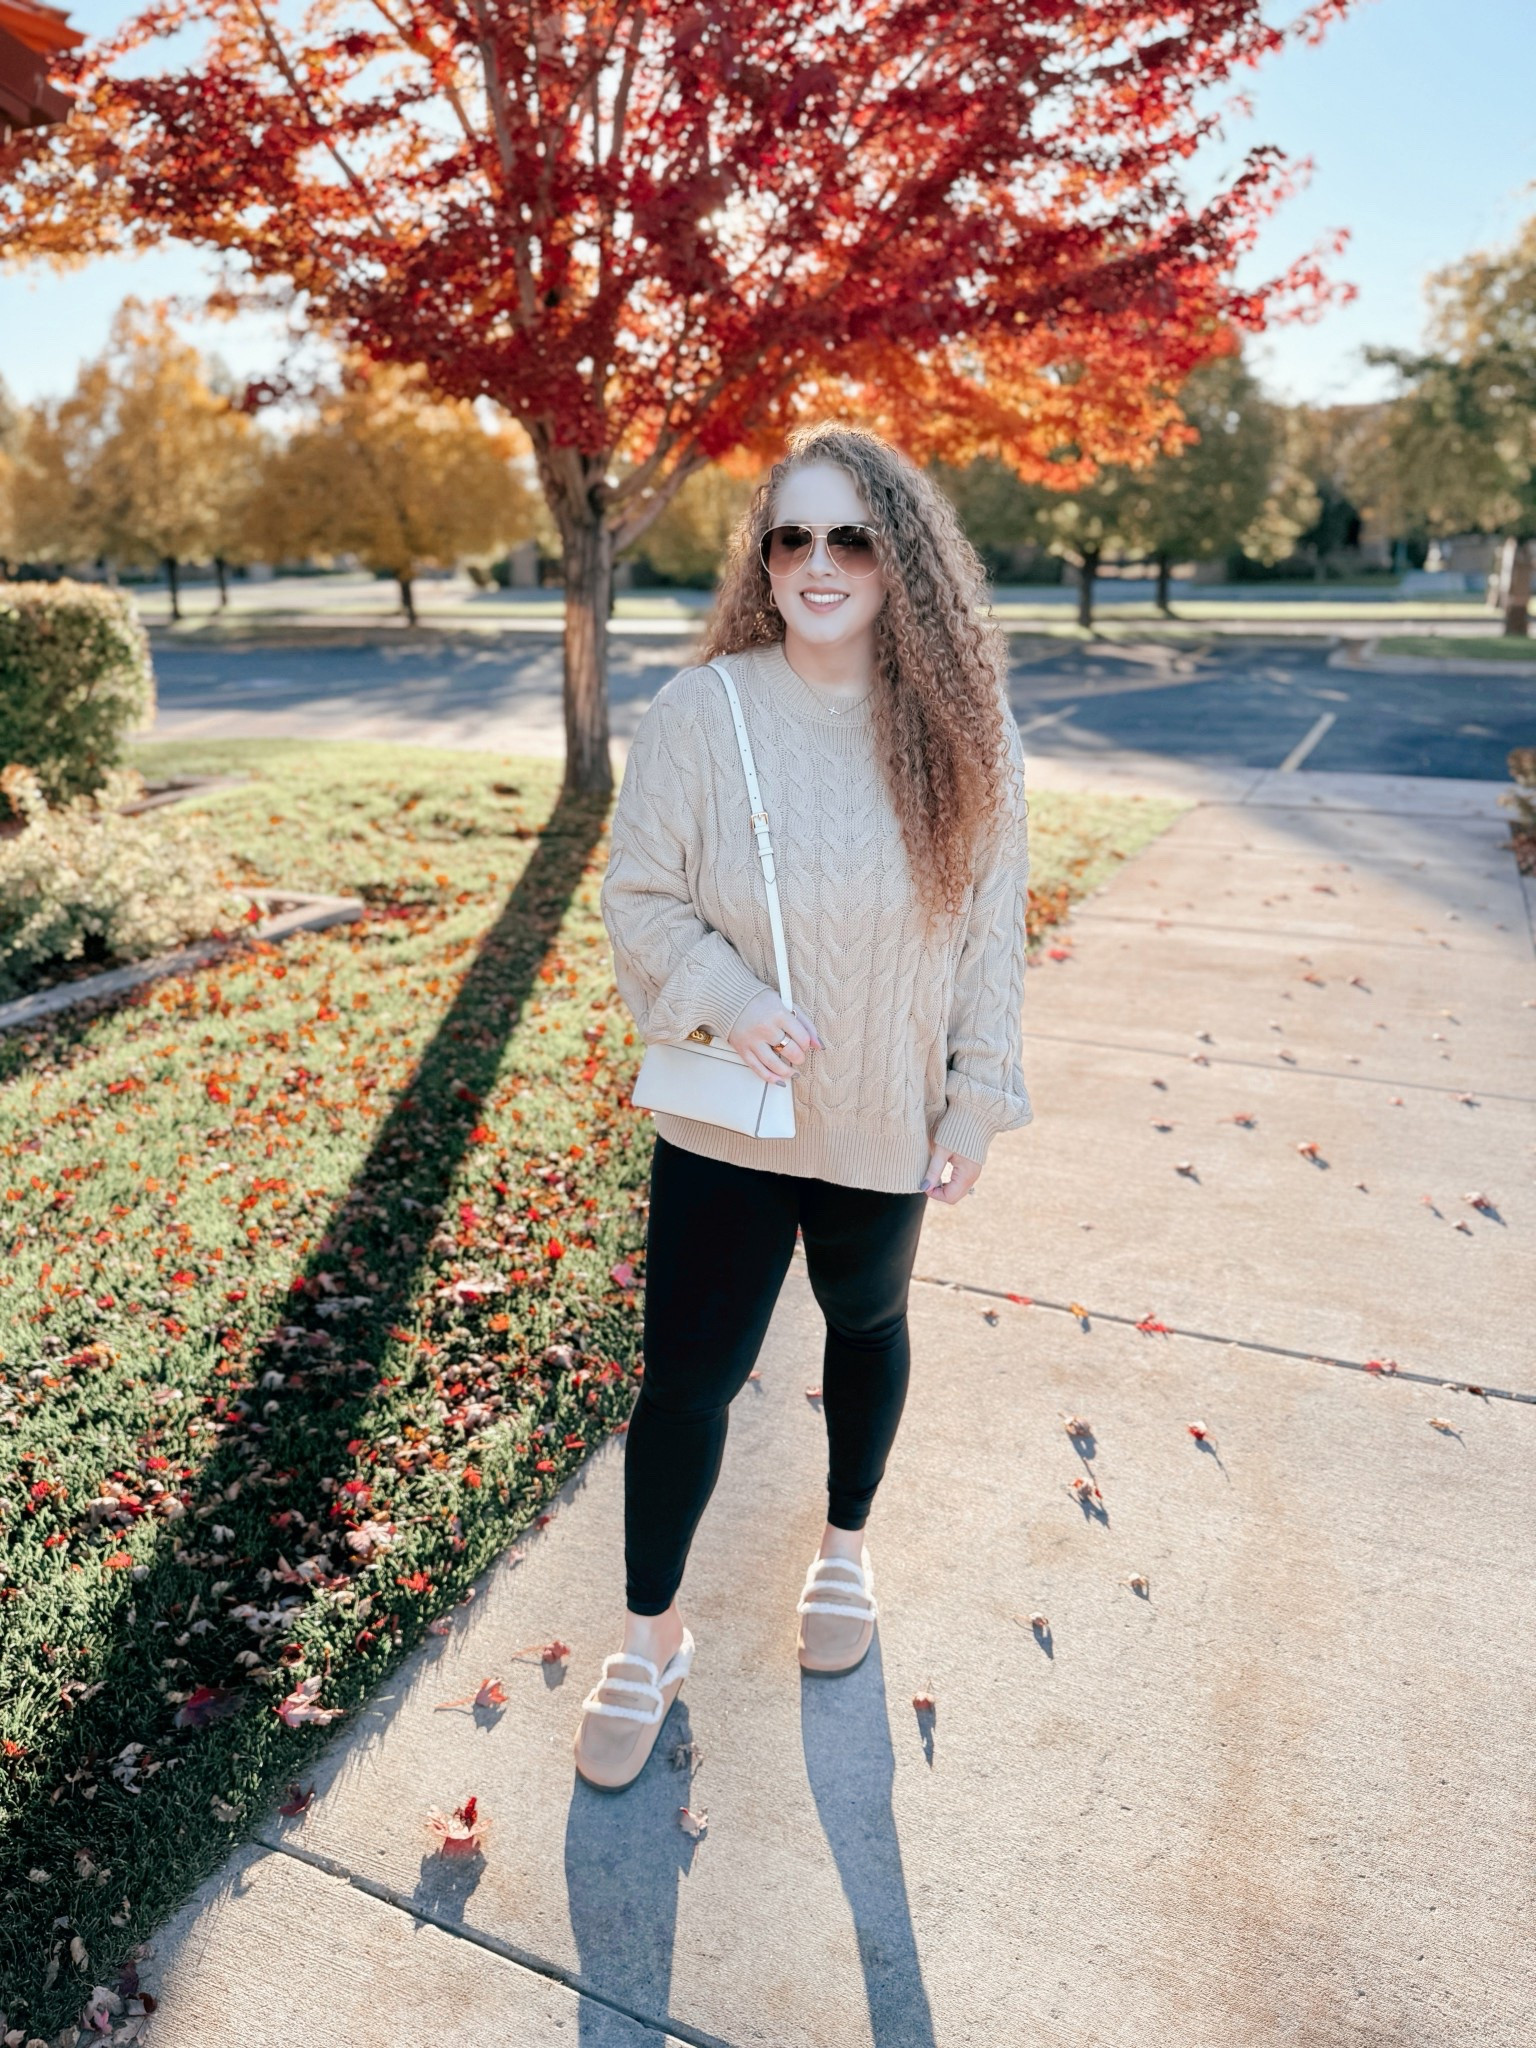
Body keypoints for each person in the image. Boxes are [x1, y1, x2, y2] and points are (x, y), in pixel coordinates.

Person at [573, 421, 1031, 1789]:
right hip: (732, 1117)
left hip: (885, 1105)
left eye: (851, 538)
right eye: (792, 537)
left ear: (903, 560)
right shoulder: (702, 714)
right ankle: (650, 1638)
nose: (819, 564)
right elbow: (639, 895)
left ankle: (844, 1549)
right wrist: (731, 998)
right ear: (762, 560)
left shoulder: (966, 731)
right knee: (687, 1381)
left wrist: (974, 1098)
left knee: (866, 1325)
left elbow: (989, 938)